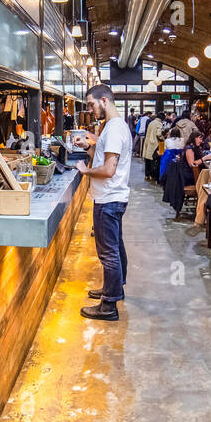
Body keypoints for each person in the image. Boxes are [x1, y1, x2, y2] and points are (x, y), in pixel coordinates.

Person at [76, 85, 133, 322]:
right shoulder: (113, 127)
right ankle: (114, 289)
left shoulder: (114, 129)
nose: (90, 109)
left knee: (108, 253)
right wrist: (88, 147)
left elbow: (109, 170)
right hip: (113, 198)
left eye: (91, 104)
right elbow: (105, 158)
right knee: (115, 247)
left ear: (104, 100)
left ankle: (108, 306)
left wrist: (85, 171)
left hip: (108, 199)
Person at [141, 112, 164, 180]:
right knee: (153, 160)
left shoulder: (151, 122)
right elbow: (158, 134)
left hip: (148, 142)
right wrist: (163, 138)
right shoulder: (159, 123)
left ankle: (146, 175)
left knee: (147, 159)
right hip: (154, 143)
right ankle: (151, 175)